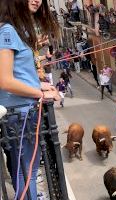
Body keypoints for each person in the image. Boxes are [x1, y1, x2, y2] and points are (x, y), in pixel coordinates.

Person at [0, 0, 60, 198]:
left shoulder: (15, 31)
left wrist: (38, 85)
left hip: (24, 112)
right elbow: (5, 81)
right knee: (27, 174)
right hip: (20, 115)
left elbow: (18, 73)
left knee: (28, 172)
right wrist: (40, 94)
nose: (37, 0)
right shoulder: (7, 31)